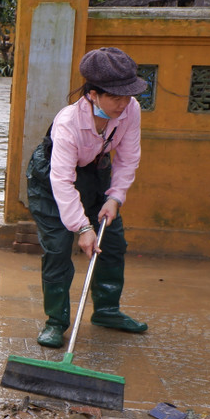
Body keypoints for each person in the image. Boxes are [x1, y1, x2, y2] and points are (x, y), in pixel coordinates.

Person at [25, 47, 149, 348]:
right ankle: (56, 322)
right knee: (57, 248)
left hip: (96, 172)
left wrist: (115, 198)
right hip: (51, 180)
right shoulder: (68, 122)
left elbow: (128, 158)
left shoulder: (130, 110)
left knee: (113, 240)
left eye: (128, 95)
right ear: (93, 94)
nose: (124, 103)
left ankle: (107, 311)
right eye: (115, 97)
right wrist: (82, 227)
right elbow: (62, 181)